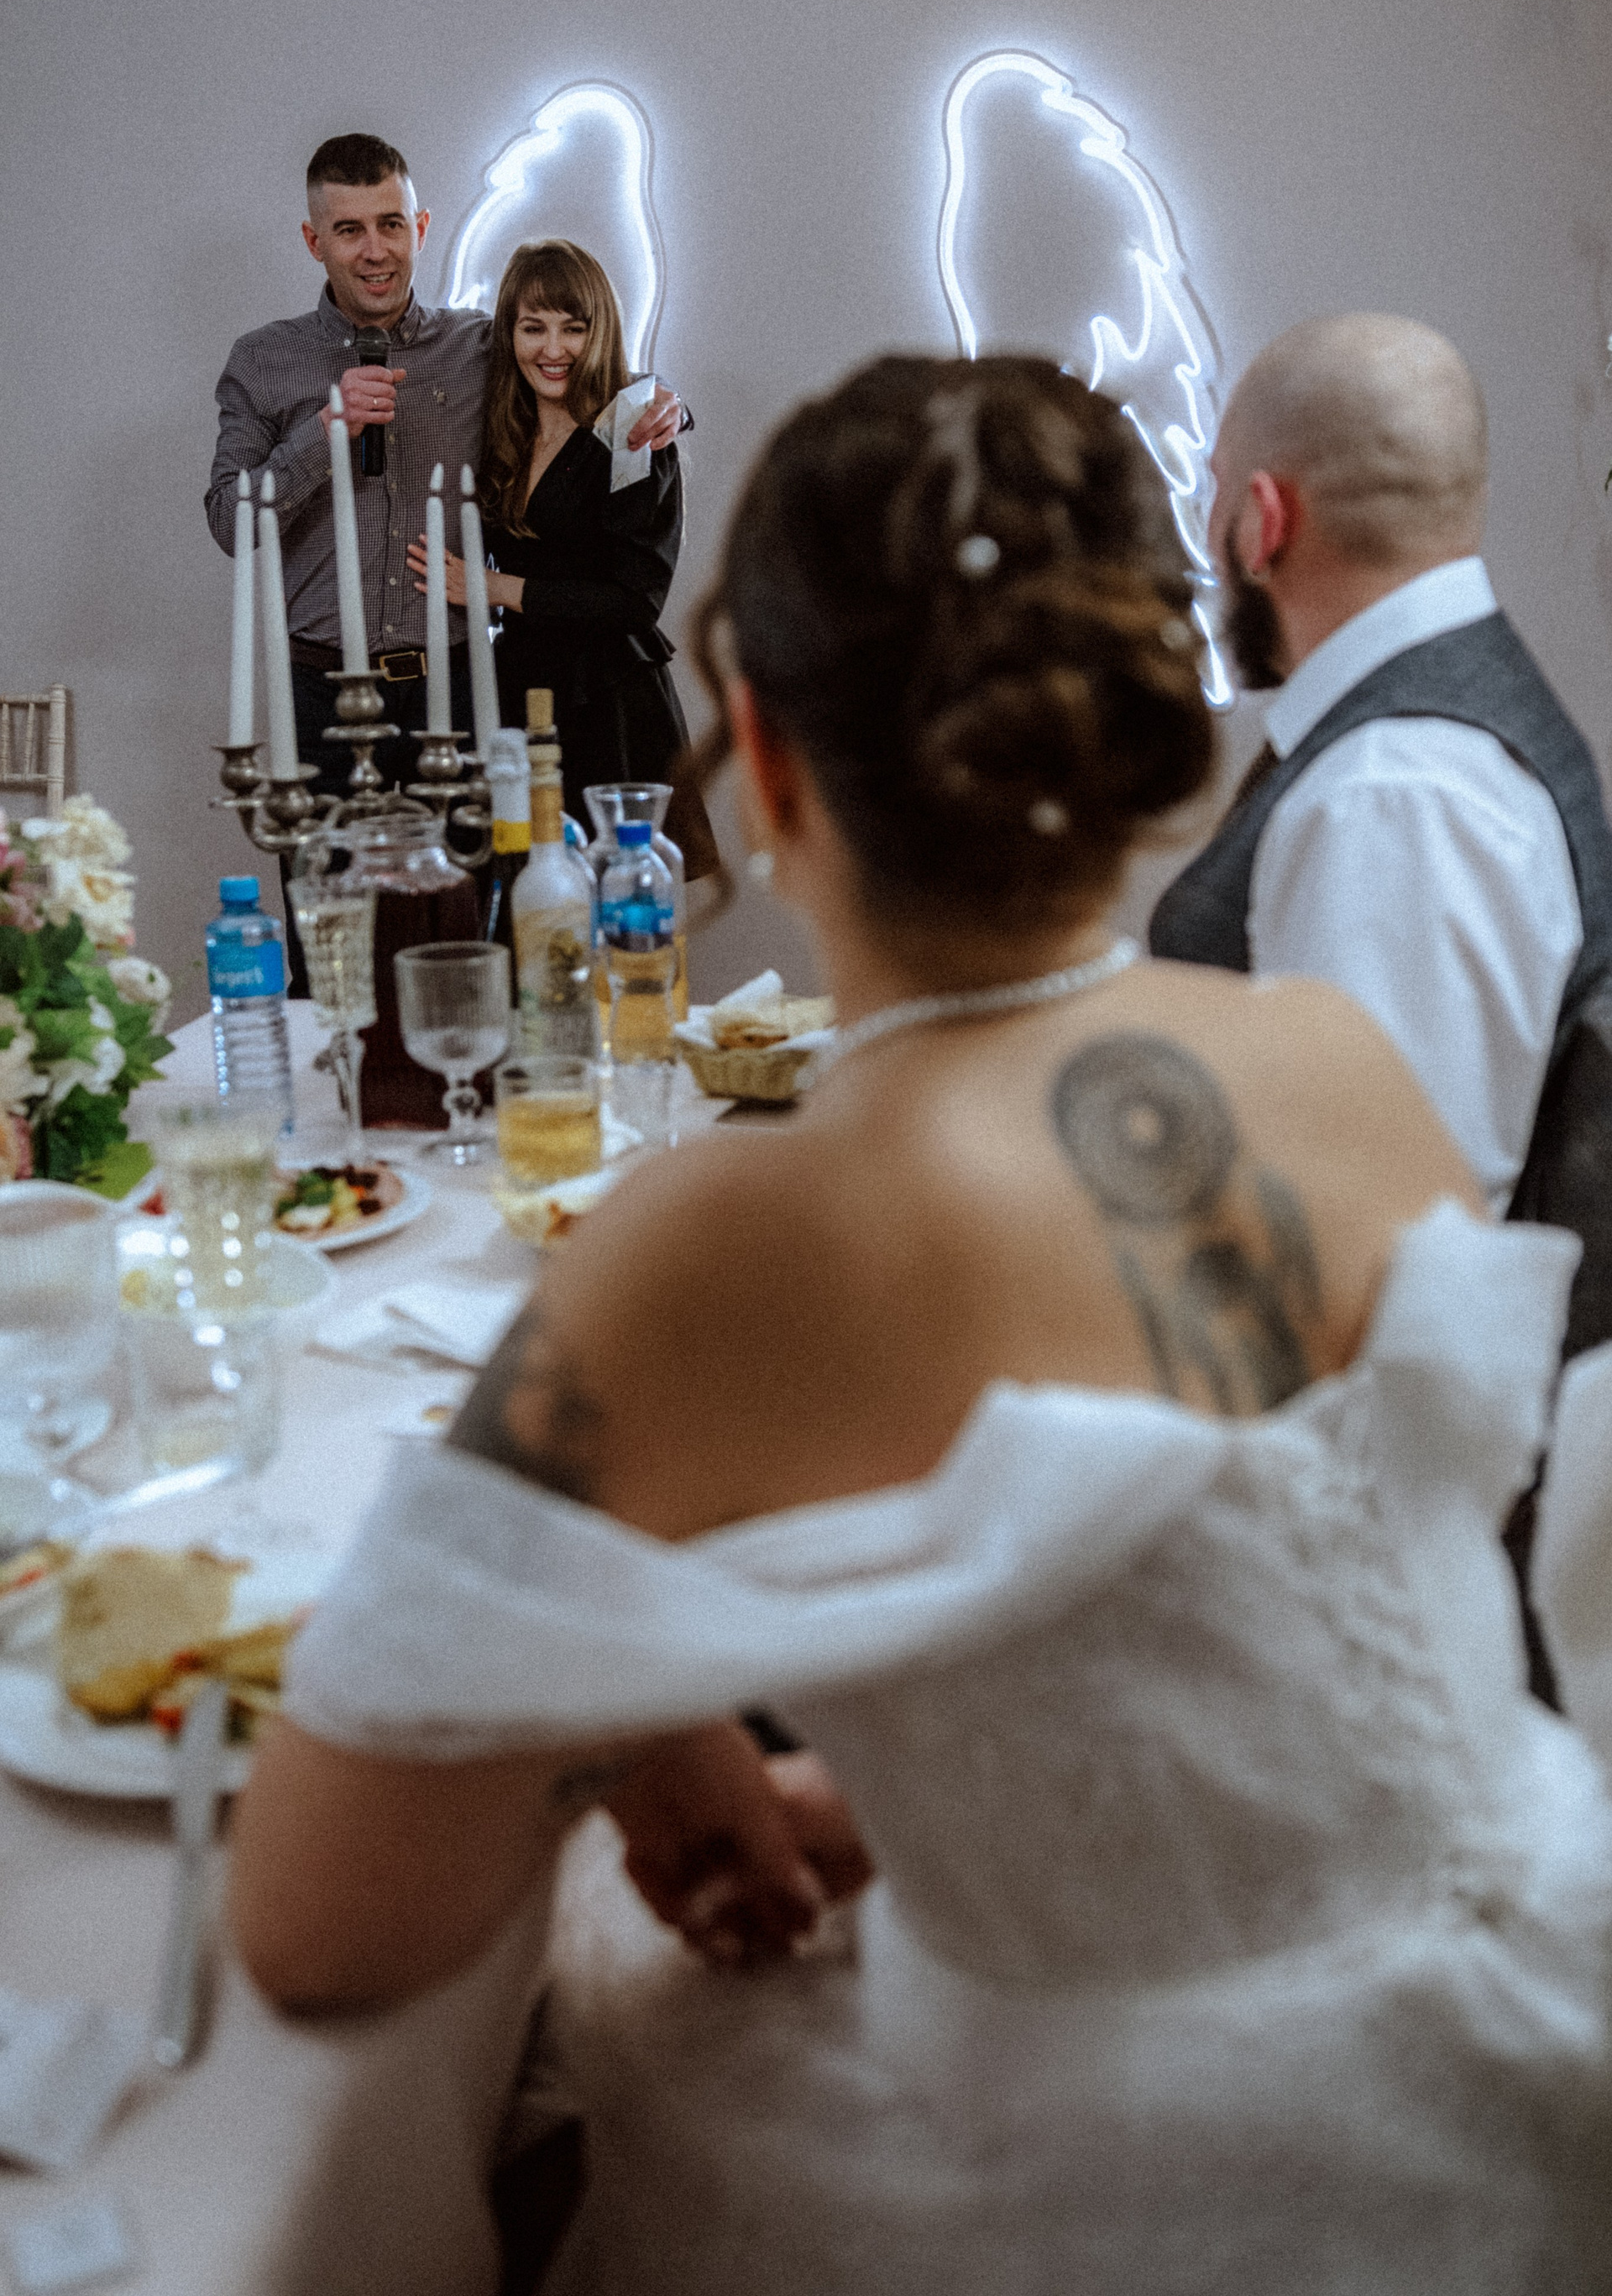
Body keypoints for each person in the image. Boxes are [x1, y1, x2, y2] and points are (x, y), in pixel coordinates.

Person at [231, 356, 1612, 2293]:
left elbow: (317, 1929)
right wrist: (927, 1808)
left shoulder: (717, 1238)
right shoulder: (1340, 1063)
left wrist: (628, 1721)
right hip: (1543, 2048)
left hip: (1165, 2189)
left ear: (767, 760)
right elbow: (1247, 1646)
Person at [1149, 314, 1612, 1346]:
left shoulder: (1395, 795)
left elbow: (1373, 1251)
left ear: (1264, 520)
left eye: (1215, 492)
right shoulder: (1416, 755)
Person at [206, 135, 683, 803]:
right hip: (321, 691)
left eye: (391, 225)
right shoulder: (264, 361)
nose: (375, 251)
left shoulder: (479, 346)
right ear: (315, 242)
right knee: (328, 874)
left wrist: (661, 404)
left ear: (421, 229)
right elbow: (230, 522)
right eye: (349, 230)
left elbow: (575, 371)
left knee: (471, 873)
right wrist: (323, 435)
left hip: (460, 687)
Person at [404, 238, 715, 872]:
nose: (553, 349)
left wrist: (495, 588)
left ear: (600, 332)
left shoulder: (631, 425)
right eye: (533, 328)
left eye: (574, 328)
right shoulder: (502, 425)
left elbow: (635, 601)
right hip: (519, 690)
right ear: (509, 334)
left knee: (618, 903)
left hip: (607, 702)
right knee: (524, 894)